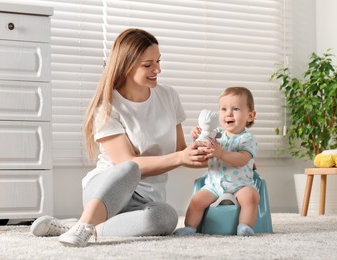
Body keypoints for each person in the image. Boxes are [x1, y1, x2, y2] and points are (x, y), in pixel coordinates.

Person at [29, 28, 210, 247]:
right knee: (130, 168)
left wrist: (207, 151)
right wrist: (180, 158)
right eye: (148, 64)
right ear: (126, 65)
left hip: (144, 201)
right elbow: (128, 162)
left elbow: (180, 151)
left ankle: (78, 226)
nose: (158, 69)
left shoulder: (169, 96)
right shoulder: (107, 107)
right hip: (105, 191)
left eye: (158, 61)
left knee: (166, 218)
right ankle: (87, 222)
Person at [174, 86, 259, 236]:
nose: (229, 114)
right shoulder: (217, 134)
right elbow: (202, 146)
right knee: (196, 201)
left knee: (251, 198)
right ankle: (190, 227)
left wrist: (221, 153)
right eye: (223, 109)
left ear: (250, 116)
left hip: (241, 185)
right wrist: (197, 136)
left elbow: (242, 159)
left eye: (236, 109)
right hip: (214, 184)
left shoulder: (247, 139)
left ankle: (244, 226)